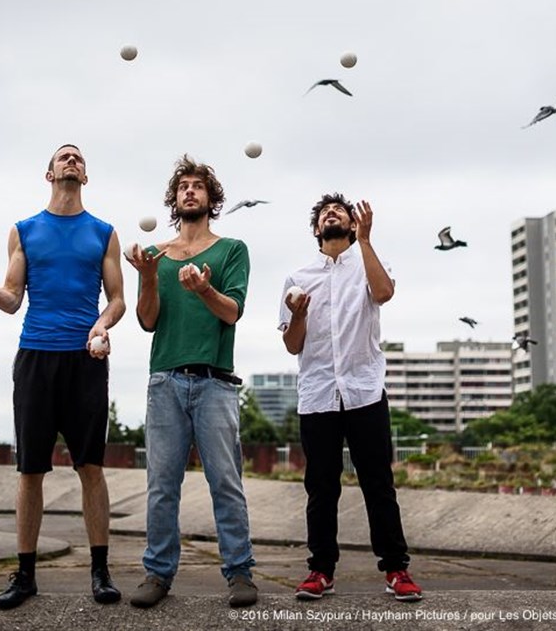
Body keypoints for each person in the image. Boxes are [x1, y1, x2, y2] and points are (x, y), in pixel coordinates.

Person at [0, 144, 125, 610]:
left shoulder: (104, 233)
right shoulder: (24, 231)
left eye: (78, 159)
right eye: (64, 157)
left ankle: (100, 572)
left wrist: (101, 325)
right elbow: (12, 298)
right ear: (49, 173)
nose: (72, 161)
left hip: (85, 360)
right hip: (36, 358)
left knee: (90, 467)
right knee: (30, 470)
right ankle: (25, 575)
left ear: (85, 176)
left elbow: (117, 299)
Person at [125, 154, 257, 610]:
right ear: (174, 199)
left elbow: (232, 312)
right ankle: (157, 574)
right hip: (164, 380)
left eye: (198, 186)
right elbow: (147, 321)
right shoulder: (156, 256)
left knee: (226, 482)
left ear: (211, 198)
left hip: (215, 382)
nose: (189, 191)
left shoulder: (231, 250)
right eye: (183, 186)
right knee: (162, 485)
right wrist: (147, 278)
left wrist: (203, 289)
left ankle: (239, 572)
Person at [279, 193, 423, 603]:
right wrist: (299, 315)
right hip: (318, 395)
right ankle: (320, 570)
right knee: (321, 488)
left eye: (338, 211)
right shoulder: (297, 277)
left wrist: (366, 240)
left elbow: (384, 293)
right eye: (325, 213)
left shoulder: (368, 261)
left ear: (352, 224)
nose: (331, 214)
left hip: (364, 390)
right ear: (316, 229)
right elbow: (292, 344)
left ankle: (396, 569)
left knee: (378, 484)